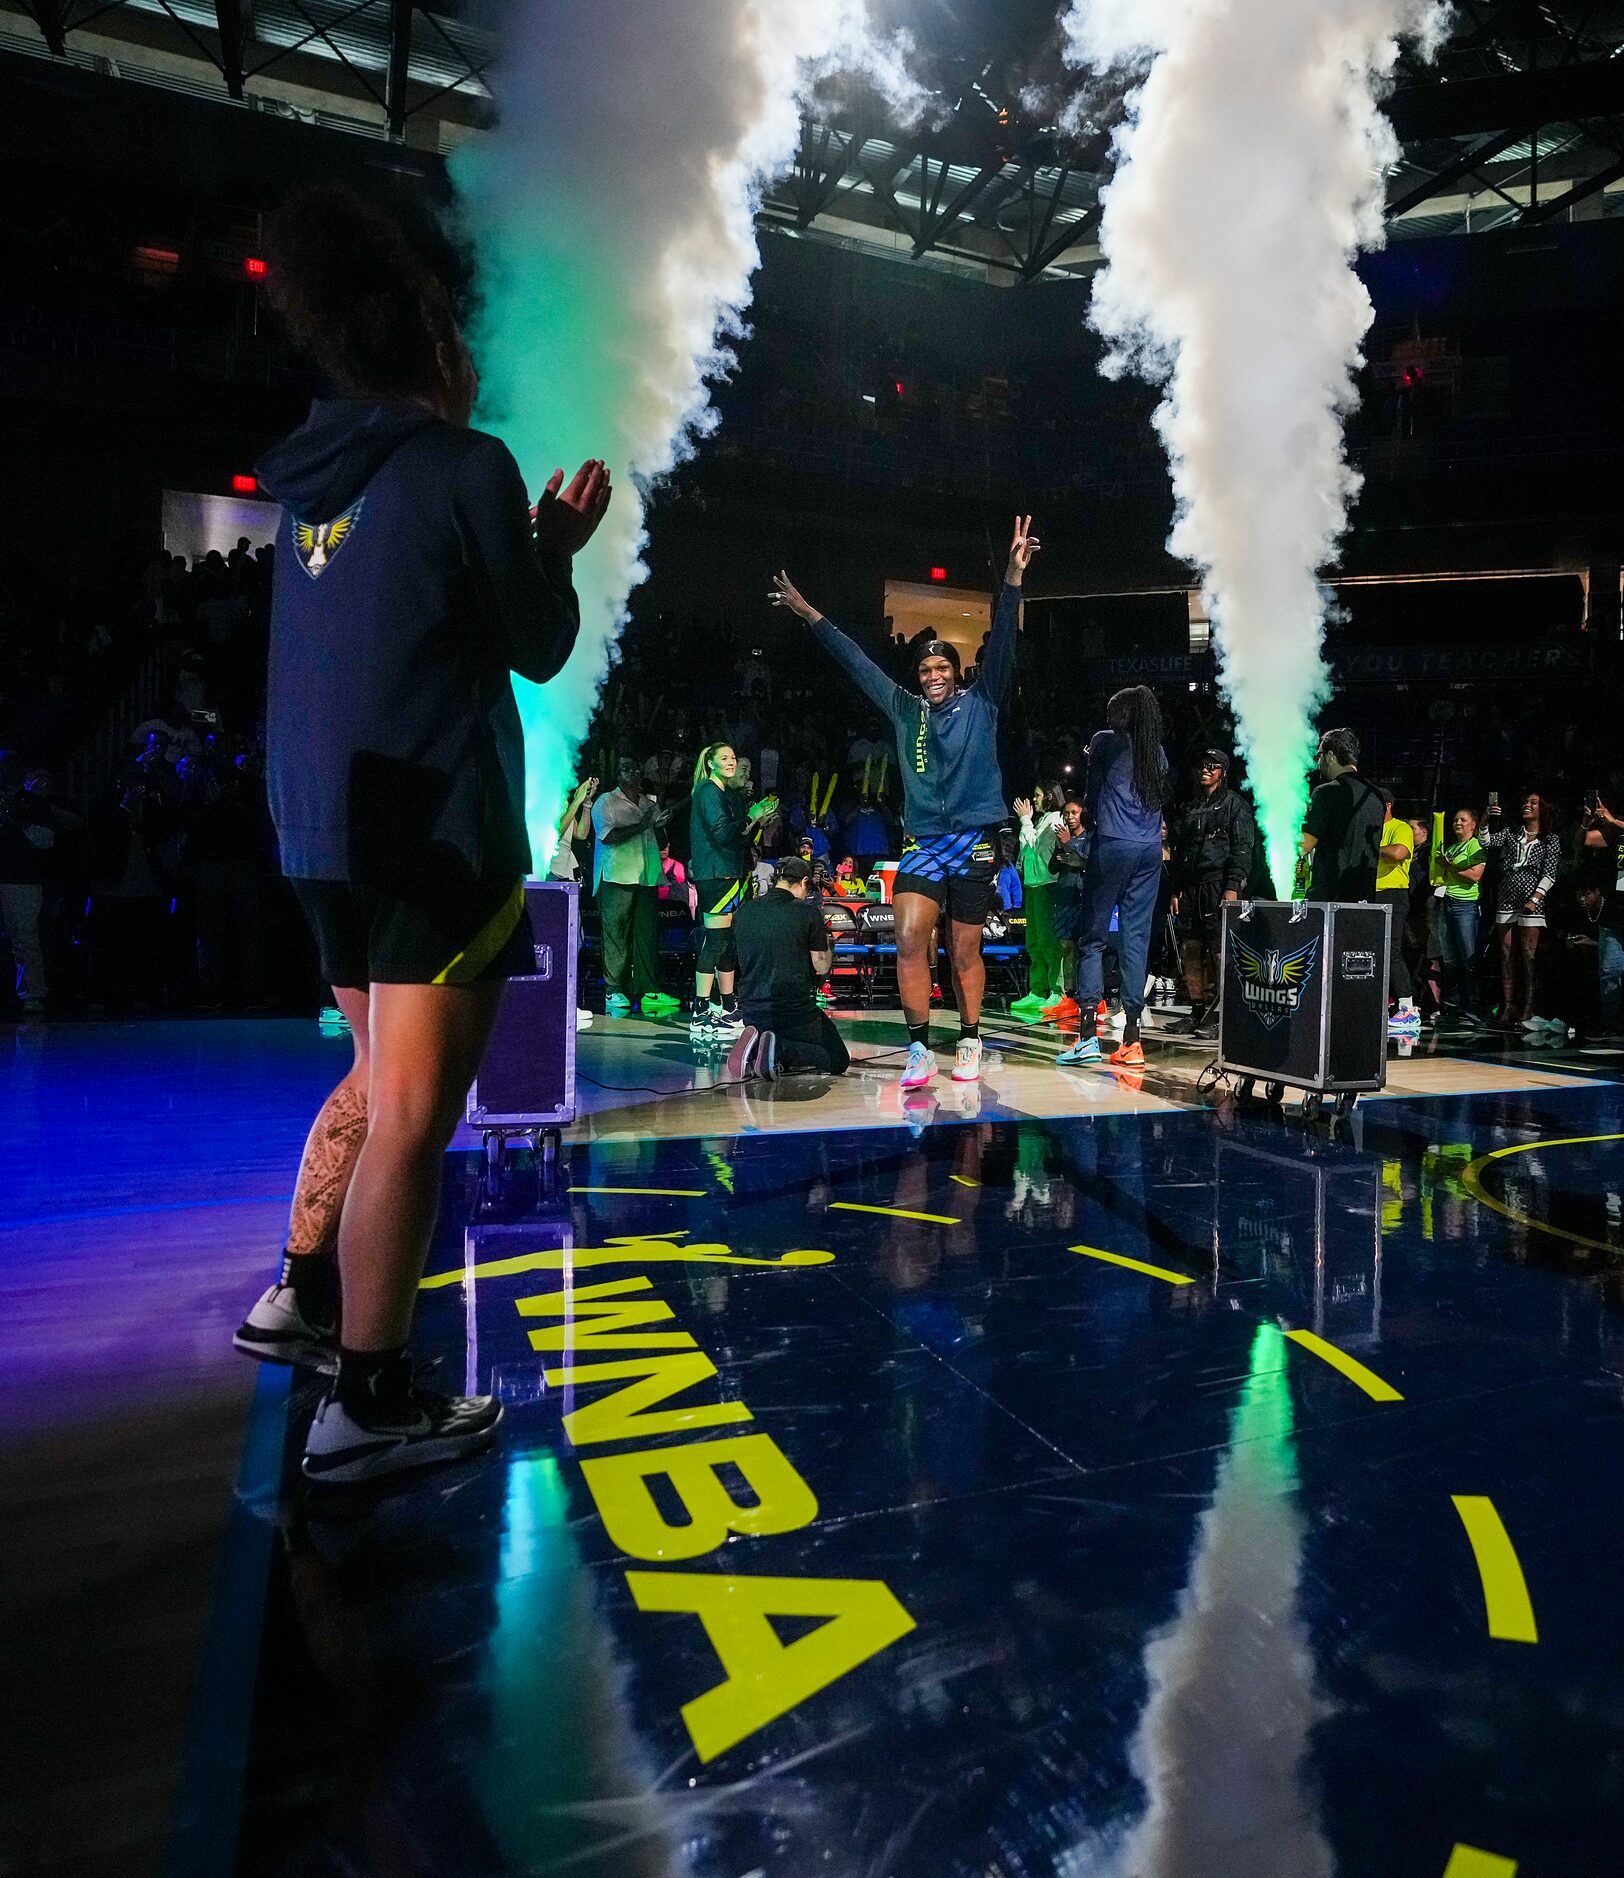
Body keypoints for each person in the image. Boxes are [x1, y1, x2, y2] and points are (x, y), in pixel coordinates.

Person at [230, 184, 611, 1486]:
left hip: (316, 836)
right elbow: (541, 646)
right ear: (434, 352)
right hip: (434, 838)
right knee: (412, 1113)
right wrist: (554, 546)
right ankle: (370, 1397)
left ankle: (297, 1291)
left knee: (368, 1082)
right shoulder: (465, 465)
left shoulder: (306, 486)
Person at [771, 514, 1040, 1087]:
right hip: (923, 842)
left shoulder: (983, 701)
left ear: (957, 671)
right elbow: (856, 662)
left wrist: (1013, 578)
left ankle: (969, 1039)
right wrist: (810, 614)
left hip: (975, 840)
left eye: (943, 667)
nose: (934, 675)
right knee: (910, 937)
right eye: (926, 668)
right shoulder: (903, 708)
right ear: (918, 676)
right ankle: (919, 1048)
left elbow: (1006, 646)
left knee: (965, 950)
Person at [1059, 686, 1167, 1070]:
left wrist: (1089, 823)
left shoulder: (1105, 741)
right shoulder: (1158, 755)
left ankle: (1087, 1037)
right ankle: (1132, 1042)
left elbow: (1091, 796)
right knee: (1135, 940)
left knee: (1093, 937)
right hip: (1150, 851)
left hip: (1114, 845)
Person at [725, 857, 849, 1081]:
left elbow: (729, 961)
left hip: (751, 1009)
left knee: (770, 1038)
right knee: (837, 1059)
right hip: (794, 1013)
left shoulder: (744, 912)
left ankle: (758, 1048)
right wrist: (828, 944)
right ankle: (779, 1049)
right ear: (803, 882)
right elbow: (821, 965)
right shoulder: (807, 913)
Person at [686, 740, 776, 1041]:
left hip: (730, 874)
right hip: (716, 875)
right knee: (715, 942)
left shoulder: (726, 793)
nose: (731, 762)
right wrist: (753, 816)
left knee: (727, 942)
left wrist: (757, 819)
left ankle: (726, 1005)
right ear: (710, 763)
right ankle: (700, 1011)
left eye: (733, 757)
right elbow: (724, 833)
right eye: (724, 758)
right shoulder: (708, 792)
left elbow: (738, 836)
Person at [1168, 749, 1254, 1039]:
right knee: (1190, 950)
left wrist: (1233, 886)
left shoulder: (1234, 805)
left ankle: (1224, 1015)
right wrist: (1176, 889)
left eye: (1212, 766)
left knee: (1220, 952)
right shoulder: (1191, 807)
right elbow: (1180, 852)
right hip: (1191, 887)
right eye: (1202, 765)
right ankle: (1196, 1011)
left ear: (1223, 771)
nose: (1205, 770)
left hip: (1218, 884)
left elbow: (1242, 848)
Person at [592, 756, 666, 1017]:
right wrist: (642, 825)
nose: (632, 772)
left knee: (646, 935)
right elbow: (609, 836)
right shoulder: (605, 802)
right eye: (626, 768)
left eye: (636, 767)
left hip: (646, 875)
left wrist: (660, 825)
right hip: (615, 876)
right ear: (617, 773)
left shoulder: (647, 802)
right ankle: (614, 989)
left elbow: (659, 837)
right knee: (616, 933)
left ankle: (649, 991)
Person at [1481, 791, 1561, 1031]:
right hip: (1507, 895)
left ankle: (1528, 1006)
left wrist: (1535, 899)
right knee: (1506, 954)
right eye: (1525, 802)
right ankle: (1508, 1006)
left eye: (1533, 803)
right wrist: (1485, 818)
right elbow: (1486, 842)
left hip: (1531, 898)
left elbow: (1549, 873)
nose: (1527, 805)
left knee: (1528, 956)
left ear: (1542, 809)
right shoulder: (1511, 832)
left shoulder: (1550, 839)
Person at [1299, 727, 1386, 901]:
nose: (1318, 762)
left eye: (1319, 756)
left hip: (1329, 898)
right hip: (1364, 900)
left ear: (1330, 756)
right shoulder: (1377, 796)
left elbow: (1304, 846)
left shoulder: (1325, 792)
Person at [1429, 807, 1486, 1024]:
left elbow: (1475, 875)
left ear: (1473, 824)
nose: (1458, 823)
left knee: (1468, 957)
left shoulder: (1476, 846)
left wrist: (1449, 867)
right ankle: (1456, 1005)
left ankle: (1474, 1007)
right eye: (1455, 820)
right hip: (1447, 902)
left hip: (1466, 905)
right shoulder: (1451, 848)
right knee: (1451, 959)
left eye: (1463, 820)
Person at [1012, 783, 1064, 1018]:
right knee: (1033, 939)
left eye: (1037, 795)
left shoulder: (1055, 820)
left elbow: (1034, 849)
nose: (1033, 800)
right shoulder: (1043, 820)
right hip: (1033, 885)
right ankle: (1037, 989)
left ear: (1050, 797)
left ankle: (1056, 990)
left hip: (1047, 885)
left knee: (1048, 940)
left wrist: (1025, 821)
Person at [1375, 797, 1421, 1036]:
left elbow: (1399, 852)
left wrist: (1372, 848)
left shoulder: (1399, 827)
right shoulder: (1372, 829)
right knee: (1372, 952)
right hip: (1372, 895)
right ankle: (1382, 1003)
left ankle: (1408, 1008)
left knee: (1391, 950)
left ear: (1388, 805)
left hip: (1393, 895)